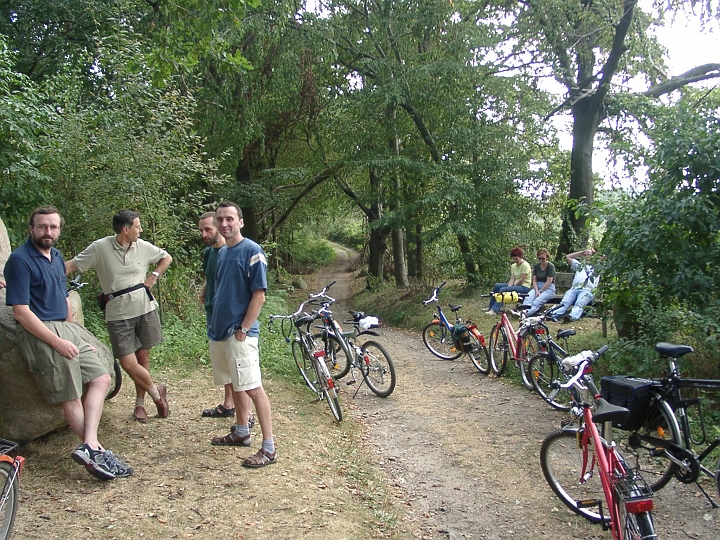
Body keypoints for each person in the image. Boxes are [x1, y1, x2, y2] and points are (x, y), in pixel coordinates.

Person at [4, 206, 132, 480]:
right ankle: (95, 451)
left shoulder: (57, 257)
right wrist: (58, 343)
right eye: (42, 227)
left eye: (53, 227)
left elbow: (62, 298)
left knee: (100, 378)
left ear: (59, 230)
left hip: (65, 328)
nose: (47, 232)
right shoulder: (19, 260)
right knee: (71, 394)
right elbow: (21, 312)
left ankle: (89, 444)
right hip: (40, 332)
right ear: (31, 229)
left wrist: (78, 335)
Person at [65, 210, 171, 423]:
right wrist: (39, 274)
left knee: (143, 357)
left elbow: (166, 257)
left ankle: (140, 404)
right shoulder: (100, 248)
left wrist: (154, 276)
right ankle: (156, 392)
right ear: (126, 229)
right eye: (137, 227)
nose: (140, 230)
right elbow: (71, 265)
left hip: (144, 308)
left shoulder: (143, 246)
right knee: (127, 362)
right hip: (117, 313)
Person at [207, 201, 276, 468]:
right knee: (235, 383)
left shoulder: (252, 250)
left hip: (240, 335)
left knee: (252, 387)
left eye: (230, 219)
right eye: (220, 219)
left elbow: (259, 294)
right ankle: (241, 431)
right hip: (220, 332)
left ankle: (269, 448)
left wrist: (244, 329)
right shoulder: (224, 251)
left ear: (241, 222)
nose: (224, 224)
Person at [198, 212, 253, 422]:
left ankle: (246, 414)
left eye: (207, 229)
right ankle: (229, 404)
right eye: (201, 230)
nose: (204, 234)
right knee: (223, 366)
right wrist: (204, 290)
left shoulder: (230, 252)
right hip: (212, 313)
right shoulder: (209, 253)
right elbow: (210, 276)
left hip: (232, 319)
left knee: (238, 366)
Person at [549, 248, 600, 323]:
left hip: (587, 290)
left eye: (588, 255)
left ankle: (571, 317)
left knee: (579, 303)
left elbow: (606, 258)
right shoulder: (579, 265)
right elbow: (568, 257)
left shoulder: (597, 266)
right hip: (574, 289)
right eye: (585, 255)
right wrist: (582, 252)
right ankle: (553, 315)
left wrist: (595, 254)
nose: (587, 256)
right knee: (565, 302)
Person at [485, 247, 532, 315]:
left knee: (503, 290)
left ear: (521, 257)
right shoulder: (513, 266)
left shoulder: (525, 265)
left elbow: (522, 280)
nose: (515, 260)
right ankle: (490, 306)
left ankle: (494, 310)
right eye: (513, 259)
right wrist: (509, 286)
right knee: (497, 286)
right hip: (515, 285)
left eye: (516, 258)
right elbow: (512, 278)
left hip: (524, 287)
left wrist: (510, 288)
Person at [521, 248, 556, 316]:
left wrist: (540, 291)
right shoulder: (536, 266)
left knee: (537, 301)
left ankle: (526, 314)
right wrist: (536, 290)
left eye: (543, 258)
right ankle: (523, 311)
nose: (541, 260)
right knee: (529, 297)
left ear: (547, 257)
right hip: (537, 286)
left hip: (548, 288)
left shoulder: (550, 267)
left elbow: (549, 281)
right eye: (539, 258)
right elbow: (534, 280)